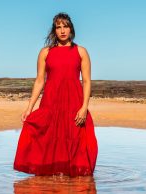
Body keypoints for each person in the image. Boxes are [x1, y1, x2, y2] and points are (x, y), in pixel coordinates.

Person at [13, 12, 98, 177]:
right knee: (49, 140)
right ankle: (52, 178)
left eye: (65, 26)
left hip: (74, 103)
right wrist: (29, 107)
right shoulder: (45, 52)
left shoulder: (81, 52)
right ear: (54, 31)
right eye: (58, 27)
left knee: (74, 141)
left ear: (71, 28)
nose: (62, 31)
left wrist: (84, 107)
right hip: (51, 103)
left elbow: (87, 81)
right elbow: (39, 81)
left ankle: (71, 180)